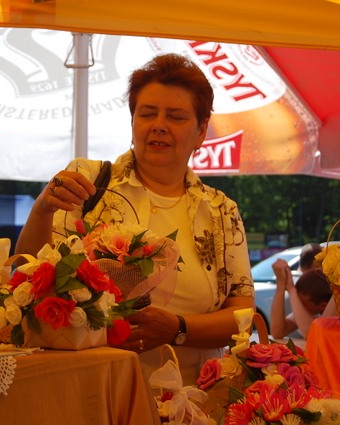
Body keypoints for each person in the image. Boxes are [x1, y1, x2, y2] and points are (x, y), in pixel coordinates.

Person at [15, 53, 254, 385]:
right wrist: (42, 207)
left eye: (176, 116)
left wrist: (178, 328)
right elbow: (26, 275)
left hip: (196, 394)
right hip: (94, 387)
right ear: (132, 123)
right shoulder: (88, 182)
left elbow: (242, 316)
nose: (159, 125)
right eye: (147, 113)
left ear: (201, 132)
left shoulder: (220, 210)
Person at [269, 243, 326, 339]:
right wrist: (281, 283)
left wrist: (291, 289)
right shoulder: (312, 302)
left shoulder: (337, 303)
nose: (298, 307)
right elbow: (278, 332)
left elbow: (312, 335)